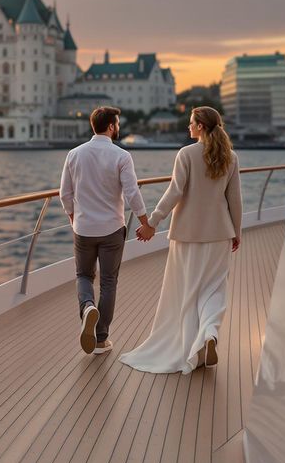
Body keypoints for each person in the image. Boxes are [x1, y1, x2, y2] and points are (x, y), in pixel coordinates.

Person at [120, 106, 242, 374]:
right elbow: (234, 199)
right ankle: (209, 334)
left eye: (191, 123)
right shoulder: (230, 157)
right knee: (214, 289)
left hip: (187, 235)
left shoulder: (186, 154)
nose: (188, 127)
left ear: (200, 126)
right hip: (220, 233)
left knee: (188, 291)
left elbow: (174, 192)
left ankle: (192, 347)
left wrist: (152, 222)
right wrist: (237, 231)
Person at [60, 106, 152, 355]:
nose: (118, 127)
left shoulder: (74, 154)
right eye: (117, 124)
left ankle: (88, 306)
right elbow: (132, 193)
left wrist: (72, 216)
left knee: (84, 276)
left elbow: (64, 193)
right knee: (109, 281)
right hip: (112, 228)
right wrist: (145, 221)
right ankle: (100, 339)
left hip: (84, 228)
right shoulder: (121, 156)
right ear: (111, 127)